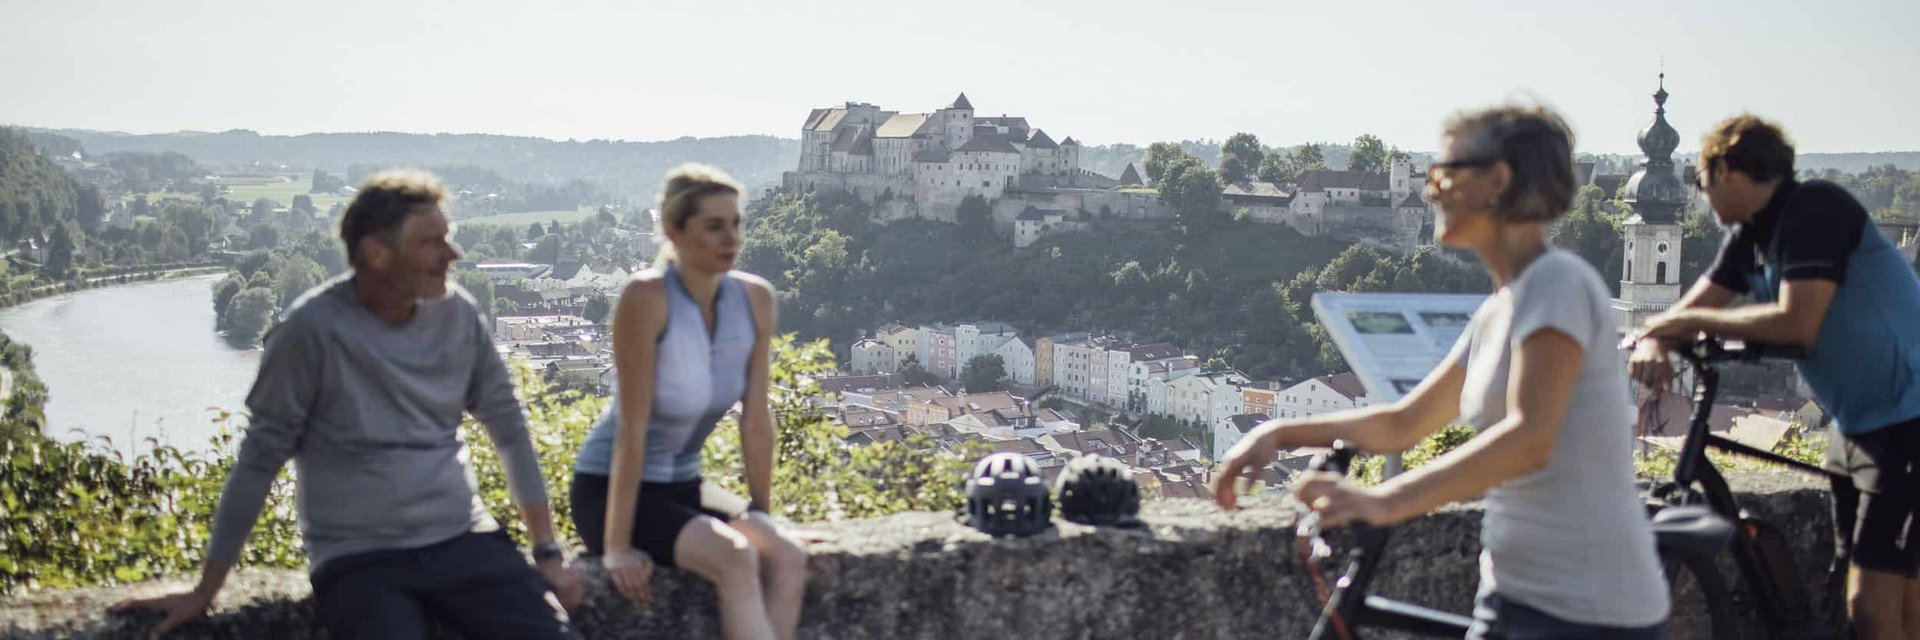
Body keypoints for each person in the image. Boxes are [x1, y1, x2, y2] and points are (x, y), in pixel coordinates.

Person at [1214, 105, 1670, 638]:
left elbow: (1529, 439)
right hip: (1515, 595)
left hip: (1589, 611)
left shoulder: (1559, 283)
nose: (1430, 190)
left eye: (1445, 171)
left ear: (1497, 180)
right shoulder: (1499, 309)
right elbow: (1404, 424)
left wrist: (1383, 501)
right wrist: (1280, 432)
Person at [111, 171, 583, 638]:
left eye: (448, 237)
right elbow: (259, 461)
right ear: (377, 253)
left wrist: (547, 553)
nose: (452, 254)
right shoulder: (311, 331)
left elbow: (510, 430)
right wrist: (206, 589)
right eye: (431, 242)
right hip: (360, 557)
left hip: (463, 539)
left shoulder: (458, 315)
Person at [1629, 115, 1920, 640]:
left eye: (1699, 180)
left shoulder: (1815, 209)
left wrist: (1684, 324)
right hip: (1857, 424)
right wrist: (1656, 338)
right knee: (1879, 598)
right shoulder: (1751, 237)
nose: (1700, 195)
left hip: (1907, 420)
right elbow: (1691, 306)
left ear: (1725, 170)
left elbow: (1797, 320)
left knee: (1874, 605)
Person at [570, 164, 807, 640]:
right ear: (674, 231)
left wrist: (761, 513)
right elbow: (632, 430)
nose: (731, 238)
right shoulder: (648, 297)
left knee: (786, 555)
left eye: (736, 223)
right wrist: (616, 545)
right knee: (735, 558)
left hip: (685, 486)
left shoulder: (755, 298)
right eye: (714, 226)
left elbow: (756, 420)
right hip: (612, 489)